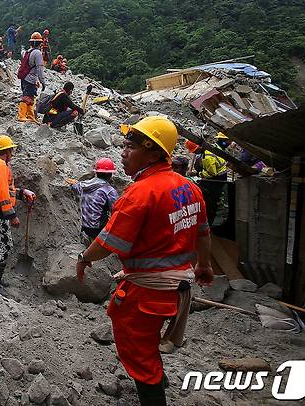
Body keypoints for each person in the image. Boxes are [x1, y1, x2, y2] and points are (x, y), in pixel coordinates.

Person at [77, 116, 213, 406]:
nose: (123, 153)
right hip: (179, 288)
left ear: (153, 152)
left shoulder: (139, 193)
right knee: (149, 346)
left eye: (130, 147)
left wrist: (84, 257)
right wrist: (204, 265)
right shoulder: (189, 187)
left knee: (139, 354)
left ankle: (153, 394)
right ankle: (157, 379)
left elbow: (108, 244)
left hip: (148, 292)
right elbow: (202, 231)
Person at [0, 135, 36, 295]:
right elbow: (2, 192)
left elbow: (6, 189)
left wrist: (22, 192)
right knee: (5, 244)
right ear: (6, 151)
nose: (12, 153)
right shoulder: (0, 166)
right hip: (0, 211)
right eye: (11, 150)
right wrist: (11, 215)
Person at [66, 158, 119, 246]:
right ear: (110, 174)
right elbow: (117, 210)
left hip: (83, 226)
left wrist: (73, 184)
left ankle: (86, 240)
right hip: (98, 229)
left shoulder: (83, 185)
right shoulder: (109, 191)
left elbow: (75, 186)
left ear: (96, 172)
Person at [187, 138, 227, 225]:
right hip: (221, 173)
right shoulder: (211, 147)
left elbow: (211, 173)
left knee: (211, 199)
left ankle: (209, 220)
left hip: (217, 178)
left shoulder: (208, 157)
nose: (194, 153)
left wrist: (197, 174)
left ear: (199, 148)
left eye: (195, 151)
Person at [17, 32, 46, 123]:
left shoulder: (28, 51)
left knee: (30, 97)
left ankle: (30, 115)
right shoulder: (37, 53)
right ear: (40, 43)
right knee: (27, 97)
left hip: (24, 77)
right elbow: (40, 68)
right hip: (30, 78)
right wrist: (42, 81)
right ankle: (21, 115)